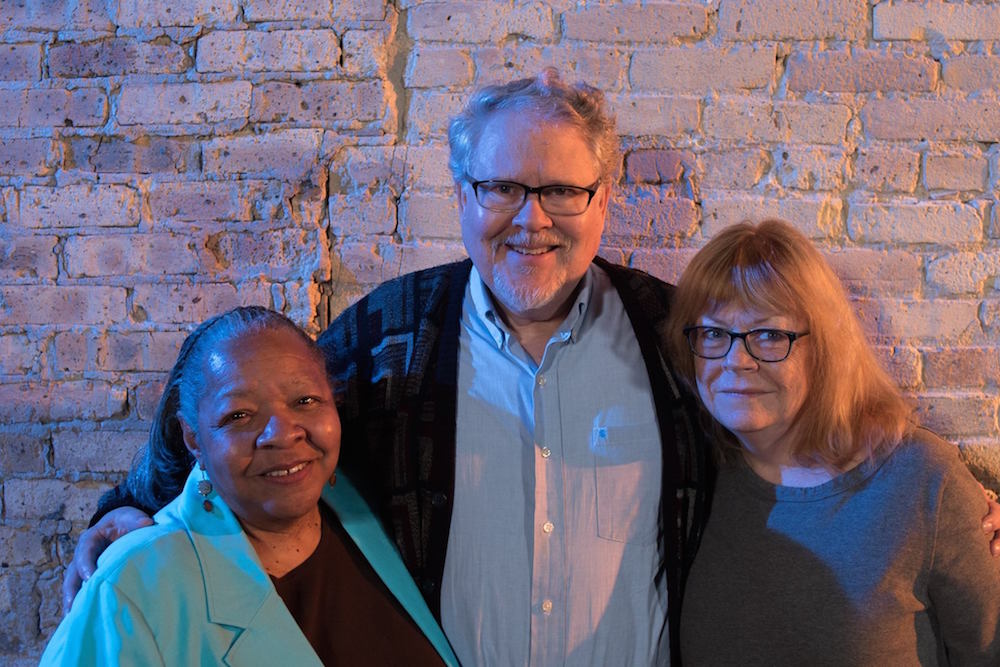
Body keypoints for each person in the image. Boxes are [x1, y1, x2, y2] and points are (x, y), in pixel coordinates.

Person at [61, 71, 1000, 666]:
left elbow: (804, 418)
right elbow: (266, 420)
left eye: (561, 189)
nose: (532, 216)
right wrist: (126, 505)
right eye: (503, 187)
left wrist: (969, 492)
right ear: (464, 195)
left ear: (604, 197)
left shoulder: (673, 332)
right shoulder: (392, 335)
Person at [43, 307, 457, 665]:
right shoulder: (127, 590)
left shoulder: (360, 506)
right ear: (193, 439)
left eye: (305, 401)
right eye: (239, 415)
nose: (282, 433)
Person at [671, 219, 1000, 665]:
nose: (736, 360)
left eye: (768, 335)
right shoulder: (690, 476)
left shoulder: (923, 483)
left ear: (823, 346)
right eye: (712, 333)